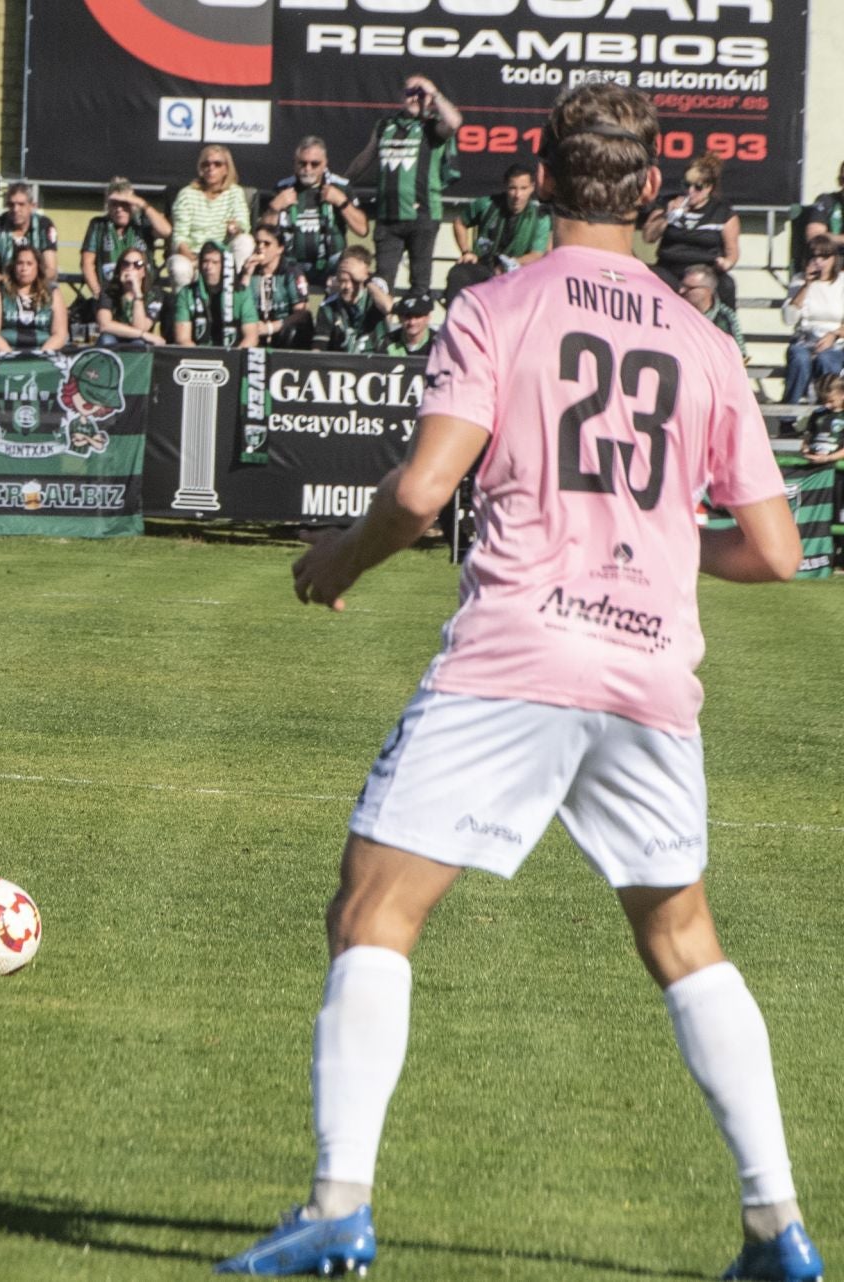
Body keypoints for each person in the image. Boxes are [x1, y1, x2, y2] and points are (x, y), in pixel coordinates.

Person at [222, 83, 824, 1282]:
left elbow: (418, 491)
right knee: (684, 934)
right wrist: (658, 539)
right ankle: (778, 1226)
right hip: (651, 669)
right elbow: (776, 548)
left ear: (540, 181)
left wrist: (332, 562)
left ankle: (340, 1203)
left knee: (375, 909)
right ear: (650, 193)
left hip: (520, 647)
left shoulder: (497, 305)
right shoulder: (705, 341)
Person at [345, 74, 460, 293]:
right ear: (401, 96)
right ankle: (379, 327)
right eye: (410, 93)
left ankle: (416, 326)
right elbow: (365, 157)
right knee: (381, 282)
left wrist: (434, 92)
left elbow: (454, 122)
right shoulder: (385, 125)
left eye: (420, 94)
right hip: (388, 217)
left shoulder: (432, 127)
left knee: (419, 282)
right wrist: (343, 182)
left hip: (423, 216)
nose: (415, 98)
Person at [643, 151, 739, 306]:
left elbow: (732, 251)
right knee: (650, 278)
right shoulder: (668, 204)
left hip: (704, 269)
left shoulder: (722, 213)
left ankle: (724, 327)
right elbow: (648, 237)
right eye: (687, 185)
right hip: (670, 267)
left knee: (726, 285)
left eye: (698, 187)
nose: (691, 191)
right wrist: (668, 216)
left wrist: (727, 262)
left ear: (709, 188)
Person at [266, 137, 365, 287]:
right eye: (302, 163)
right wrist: (274, 208)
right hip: (293, 263)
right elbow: (264, 233)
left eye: (315, 164)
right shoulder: (283, 188)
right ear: (295, 163)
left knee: (353, 265)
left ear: (325, 163)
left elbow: (362, 229)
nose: (308, 169)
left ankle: (341, 310)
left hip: (332, 263)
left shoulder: (341, 186)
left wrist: (342, 202)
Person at [444, 162, 551, 302]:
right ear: (506, 186)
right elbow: (459, 223)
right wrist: (466, 251)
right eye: (513, 188)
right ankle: (455, 320)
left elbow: (537, 254)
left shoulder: (540, 216)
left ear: (532, 188)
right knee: (458, 274)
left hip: (518, 272)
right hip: (484, 266)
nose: (518, 195)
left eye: (523, 188)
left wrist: (510, 264)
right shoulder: (487, 204)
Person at [0, 182, 56, 341]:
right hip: (3, 282)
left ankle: (57, 338)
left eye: (21, 204)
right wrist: (11, 282)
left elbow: (51, 270)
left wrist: (32, 282)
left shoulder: (45, 225)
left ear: (33, 206)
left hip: (35, 281)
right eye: (11, 204)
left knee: (54, 289)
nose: (15, 209)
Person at [777, 235, 843, 402]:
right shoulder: (799, 280)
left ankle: (825, 414)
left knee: (826, 360)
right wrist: (806, 286)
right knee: (799, 358)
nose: (819, 262)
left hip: (834, 340)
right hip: (804, 339)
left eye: (824, 257)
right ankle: (789, 415)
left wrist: (834, 335)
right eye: (814, 256)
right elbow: (789, 319)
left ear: (834, 259)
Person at [81, 177, 171, 298]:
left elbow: (166, 231)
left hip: (145, 294)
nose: (119, 209)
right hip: (109, 294)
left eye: (124, 204)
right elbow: (87, 263)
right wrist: (98, 294)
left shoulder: (142, 222)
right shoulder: (98, 225)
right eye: (114, 204)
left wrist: (141, 203)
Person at [172, 145, 256, 270]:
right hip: (193, 254)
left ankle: (235, 286)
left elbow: (243, 224)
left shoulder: (235, 192)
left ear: (226, 169)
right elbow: (179, 236)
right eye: (206, 164)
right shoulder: (187, 194)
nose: (211, 168)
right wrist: (194, 260)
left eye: (217, 164)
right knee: (179, 268)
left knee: (245, 241)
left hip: (223, 255)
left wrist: (236, 228)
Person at [238, 223, 312, 348]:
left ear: (280, 248)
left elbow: (302, 313)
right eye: (257, 243)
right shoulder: (249, 271)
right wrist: (246, 276)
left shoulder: (290, 271)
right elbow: (238, 306)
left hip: (282, 333)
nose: (260, 248)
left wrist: (270, 327)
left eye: (266, 244)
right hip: (253, 331)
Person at [172, 242, 258, 349]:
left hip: (233, 355)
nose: (208, 267)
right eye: (205, 261)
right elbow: (183, 339)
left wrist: (234, 358)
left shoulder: (242, 293)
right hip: (197, 356)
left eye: (215, 262)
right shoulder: (187, 293)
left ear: (226, 266)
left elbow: (251, 337)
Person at [0, 243, 66, 352]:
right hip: (6, 356)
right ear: (13, 266)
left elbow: (60, 334)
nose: (24, 268)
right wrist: (11, 357)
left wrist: (41, 355)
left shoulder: (53, 293)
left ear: (38, 267)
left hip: (43, 357)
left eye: (29, 264)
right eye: (19, 263)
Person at [313, 246, 392, 353]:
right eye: (343, 280)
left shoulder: (375, 297)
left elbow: (388, 308)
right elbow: (318, 349)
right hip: (341, 365)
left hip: (376, 363)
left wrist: (366, 279)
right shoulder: (328, 307)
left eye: (354, 281)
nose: (347, 286)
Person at [95, 248, 166, 346]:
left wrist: (137, 292)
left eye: (138, 264)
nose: (131, 268)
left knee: (138, 343)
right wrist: (143, 334)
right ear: (120, 269)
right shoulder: (109, 291)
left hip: (137, 339)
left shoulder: (155, 295)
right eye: (125, 264)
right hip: (113, 336)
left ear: (144, 271)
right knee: (106, 340)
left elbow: (141, 327)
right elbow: (104, 325)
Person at [681, 263, 748, 358]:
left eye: (689, 288)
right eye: (682, 285)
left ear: (707, 290)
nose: (681, 291)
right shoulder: (676, 313)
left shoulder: (725, 317)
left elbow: (740, 355)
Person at [365, 290, 434, 356]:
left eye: (418, 316)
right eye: (407, 316)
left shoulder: (437, 342)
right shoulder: (388, 342)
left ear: (428, 317)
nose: (412, 322)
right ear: (399, 318)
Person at [799, 373, 844, 464]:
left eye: (831, 401)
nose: (827, 405)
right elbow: (808, 436)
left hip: (837, 467)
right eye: (823, 401)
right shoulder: (818, 413)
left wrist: (828, 458)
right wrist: (805, 448)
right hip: (816, 462)